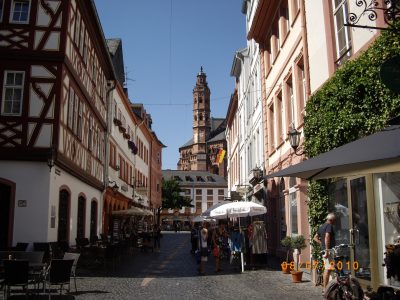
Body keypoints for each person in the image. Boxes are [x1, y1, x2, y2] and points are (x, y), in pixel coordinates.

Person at [313, 213, 336, 294]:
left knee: (329, 269)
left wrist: (321, 244)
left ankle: (329, 287)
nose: (335, 222)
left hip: (325, 249)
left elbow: (315, 237)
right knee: (328, 269)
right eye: (334, 220)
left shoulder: (322, 226)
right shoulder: (329, 226)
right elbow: (327, 237)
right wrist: (326, 250)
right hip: (328, 250)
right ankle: (325, 289)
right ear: (331, 220)